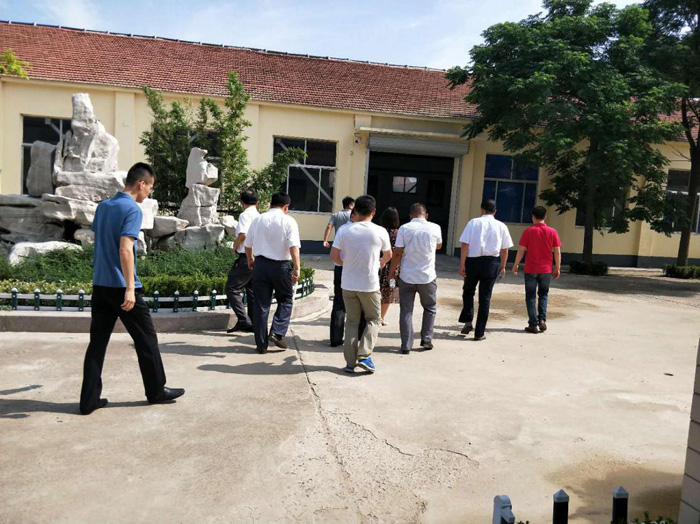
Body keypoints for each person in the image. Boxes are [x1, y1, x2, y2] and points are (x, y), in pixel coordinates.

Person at [79, 162, 184, 415]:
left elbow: (100, 241)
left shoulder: (103, 207)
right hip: (122, 287)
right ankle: (156, 391)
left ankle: (88, 400)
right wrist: (129, 288)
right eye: (150, 187)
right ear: (141, 183)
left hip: (100, 285)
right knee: (146, 339)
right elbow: (125, 249)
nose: (149, 192)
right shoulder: (132, 209)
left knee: (97, 344)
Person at [330, 195, 391, 374]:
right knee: (373, 319)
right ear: (374, 211)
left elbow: (334, 256)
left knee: (352, 322)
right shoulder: (380, 231)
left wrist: (346, 264)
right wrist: (379, 264)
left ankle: (350, 363)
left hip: (348, 284)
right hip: (369, 284)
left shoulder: (344, 230)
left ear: (355, 210)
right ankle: (364, 355)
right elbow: (388, 255)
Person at [244, 192, 301, 354]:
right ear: (286, 207)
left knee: (261, 304)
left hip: (260, 265)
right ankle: (277, 331)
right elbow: (293, 246)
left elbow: (248, 245)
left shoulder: (258, 220)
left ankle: (261, 344)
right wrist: (297, 267)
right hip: (281, 266)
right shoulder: (289, 221)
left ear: (270, 204)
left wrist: (250, 259)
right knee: (285, 299)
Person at [388, 203, 442, 354]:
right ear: (426, 215)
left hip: (407, 276)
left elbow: (397, 253)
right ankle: (426, 339)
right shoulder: (435, 228)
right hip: (427, 276)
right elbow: (438, 246)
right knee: (430, 308)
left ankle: (406, 345)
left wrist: (392, 272)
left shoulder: (404, 228)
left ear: (410, 215)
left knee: (406, 310)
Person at [458, 199, 513, 341]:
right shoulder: (501, 226)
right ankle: (479, 333)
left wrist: (462, 264)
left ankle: (468, 320)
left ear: (481, 210)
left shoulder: (473, 223)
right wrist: (502, 266)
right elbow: (505, 249)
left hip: (473, 261)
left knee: (468, 291)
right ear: (495, 211)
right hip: (491, 263)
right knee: (485, 297)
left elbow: (465, 245)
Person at [512, 205, 562, 333]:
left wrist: (516, 264)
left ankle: (533, 324)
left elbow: (521, 250)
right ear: (545, 216)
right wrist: (557, 267)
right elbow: (557, 251)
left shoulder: (528, 231)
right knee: (543, 294)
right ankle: (542, 320)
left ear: (533, 217)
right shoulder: (552, 232)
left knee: (530, 296)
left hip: (531, 269)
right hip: (546, 269)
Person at [225, 189, 260, 333]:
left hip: (246, 257)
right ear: (257, 202)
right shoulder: (259, 216)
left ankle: (244, 320)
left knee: (231, 287)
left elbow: (243, 234)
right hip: (257, 257)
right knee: (251, 291)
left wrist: (235, 244)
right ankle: (253, 323)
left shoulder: (245, 215)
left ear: (242, 203)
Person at [377, 206, 400, 325]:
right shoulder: (398, 233)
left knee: (375, 290)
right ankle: (381, 317)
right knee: (389, 292)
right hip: (393, 268)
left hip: (379, 264)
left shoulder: (378, 231)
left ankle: (372, 315)